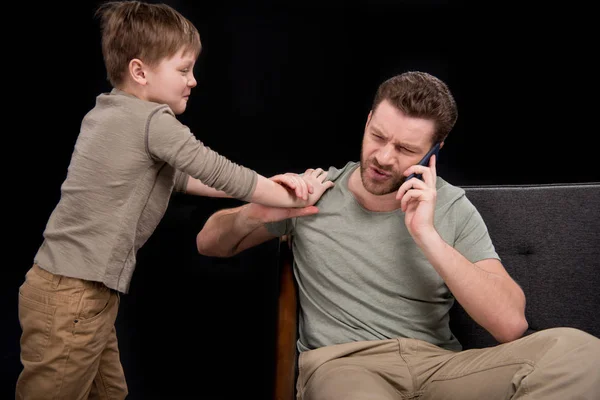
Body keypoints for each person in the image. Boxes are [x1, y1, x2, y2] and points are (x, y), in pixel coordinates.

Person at [196, 71, 600, 399]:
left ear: (433, 151)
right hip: (347, 367)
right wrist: (260, 211)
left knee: (581, 354)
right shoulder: (316, 190)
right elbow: (210, 242)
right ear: (369, 120)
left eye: (406, 149)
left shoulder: (451, 206)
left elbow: (510, 326)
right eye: (378, 137)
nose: (384, 157)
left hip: (439, 368)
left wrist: (427, 234)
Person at [15, 1, 332, 399]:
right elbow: (216, 169)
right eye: (183, 69)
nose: (193, 80)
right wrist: (292, 195)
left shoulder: (108, 111)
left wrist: (271, 185)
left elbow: (183, 176)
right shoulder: (152, 122)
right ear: (140, 71)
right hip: (74, 298)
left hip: (70, 291)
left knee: (108, 393)